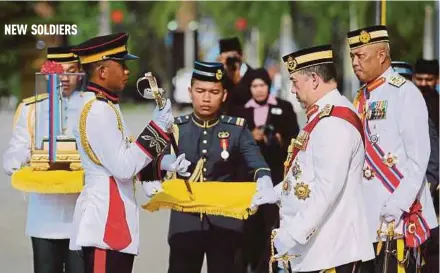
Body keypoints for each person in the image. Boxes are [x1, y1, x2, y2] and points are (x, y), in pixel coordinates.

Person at [68, 32, 190, 273]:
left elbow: (123, 155)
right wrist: (156, 128)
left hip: (113, 222)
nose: (127, 71)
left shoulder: (105, 105)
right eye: (121, 65)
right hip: (104, 224)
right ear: (102, 72)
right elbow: (123, 168)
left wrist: (165, 163)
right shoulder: (98, 111)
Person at [251, 45, 374, 273]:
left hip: (332, 251)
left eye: (296, 83)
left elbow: (327, 190)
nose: (293, 91)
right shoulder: (322, 115)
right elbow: (305, 173)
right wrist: (276, 193)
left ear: (315, 80)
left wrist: (292, 234)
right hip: (318, 249)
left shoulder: (333, 122)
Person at [140, 60, 272, 273]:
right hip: (185, 219)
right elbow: (149, 165)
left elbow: (258, 164)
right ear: (190, 92)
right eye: (200, 91)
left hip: (225, 221)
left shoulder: (236, 129)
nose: (207, 98)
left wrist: (264, 181)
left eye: (214, 92)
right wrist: (160, 173)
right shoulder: (176, 128)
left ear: (224, 95)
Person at [347, 25, 438, 273]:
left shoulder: (405, 93)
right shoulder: (361, 97)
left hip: (398, 219)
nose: (354, 62)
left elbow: (419, 159)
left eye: (360, 56)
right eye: (352, 56)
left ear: (381, 55)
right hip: (369, 219)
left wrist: (398, 204)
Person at [3, 46, 85, 273]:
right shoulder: (31, 109)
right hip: (44, 215)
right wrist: (16, 159)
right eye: (59, 72)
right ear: (48, 74)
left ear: (80, 73)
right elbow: (18, 147)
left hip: (82, 212)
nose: (65, 78)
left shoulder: (92, 107)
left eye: (72, 71)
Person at [234, 67, 299, 272]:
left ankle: (268, 267)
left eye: (262, 85)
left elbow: (296, 140)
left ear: (268, 86)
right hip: (248, 180)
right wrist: (249, 137)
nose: (259, 90)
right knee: (248, 227)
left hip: (276, 177)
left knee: (272, 227)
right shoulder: (240, 112)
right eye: (255, 86)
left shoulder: (285, 107)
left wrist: (280, 140)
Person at [218, 37, 255, 115]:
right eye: (226, 58)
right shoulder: (219, 79)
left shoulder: (254, 76)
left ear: (241, 56)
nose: (230, 61)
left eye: (233, 57)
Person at [413, 59, 439, 134]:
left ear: (437, 79)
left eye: (429, 79)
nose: (423, 84)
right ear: (413, 78)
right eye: (419, 79)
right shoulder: (405, 102)